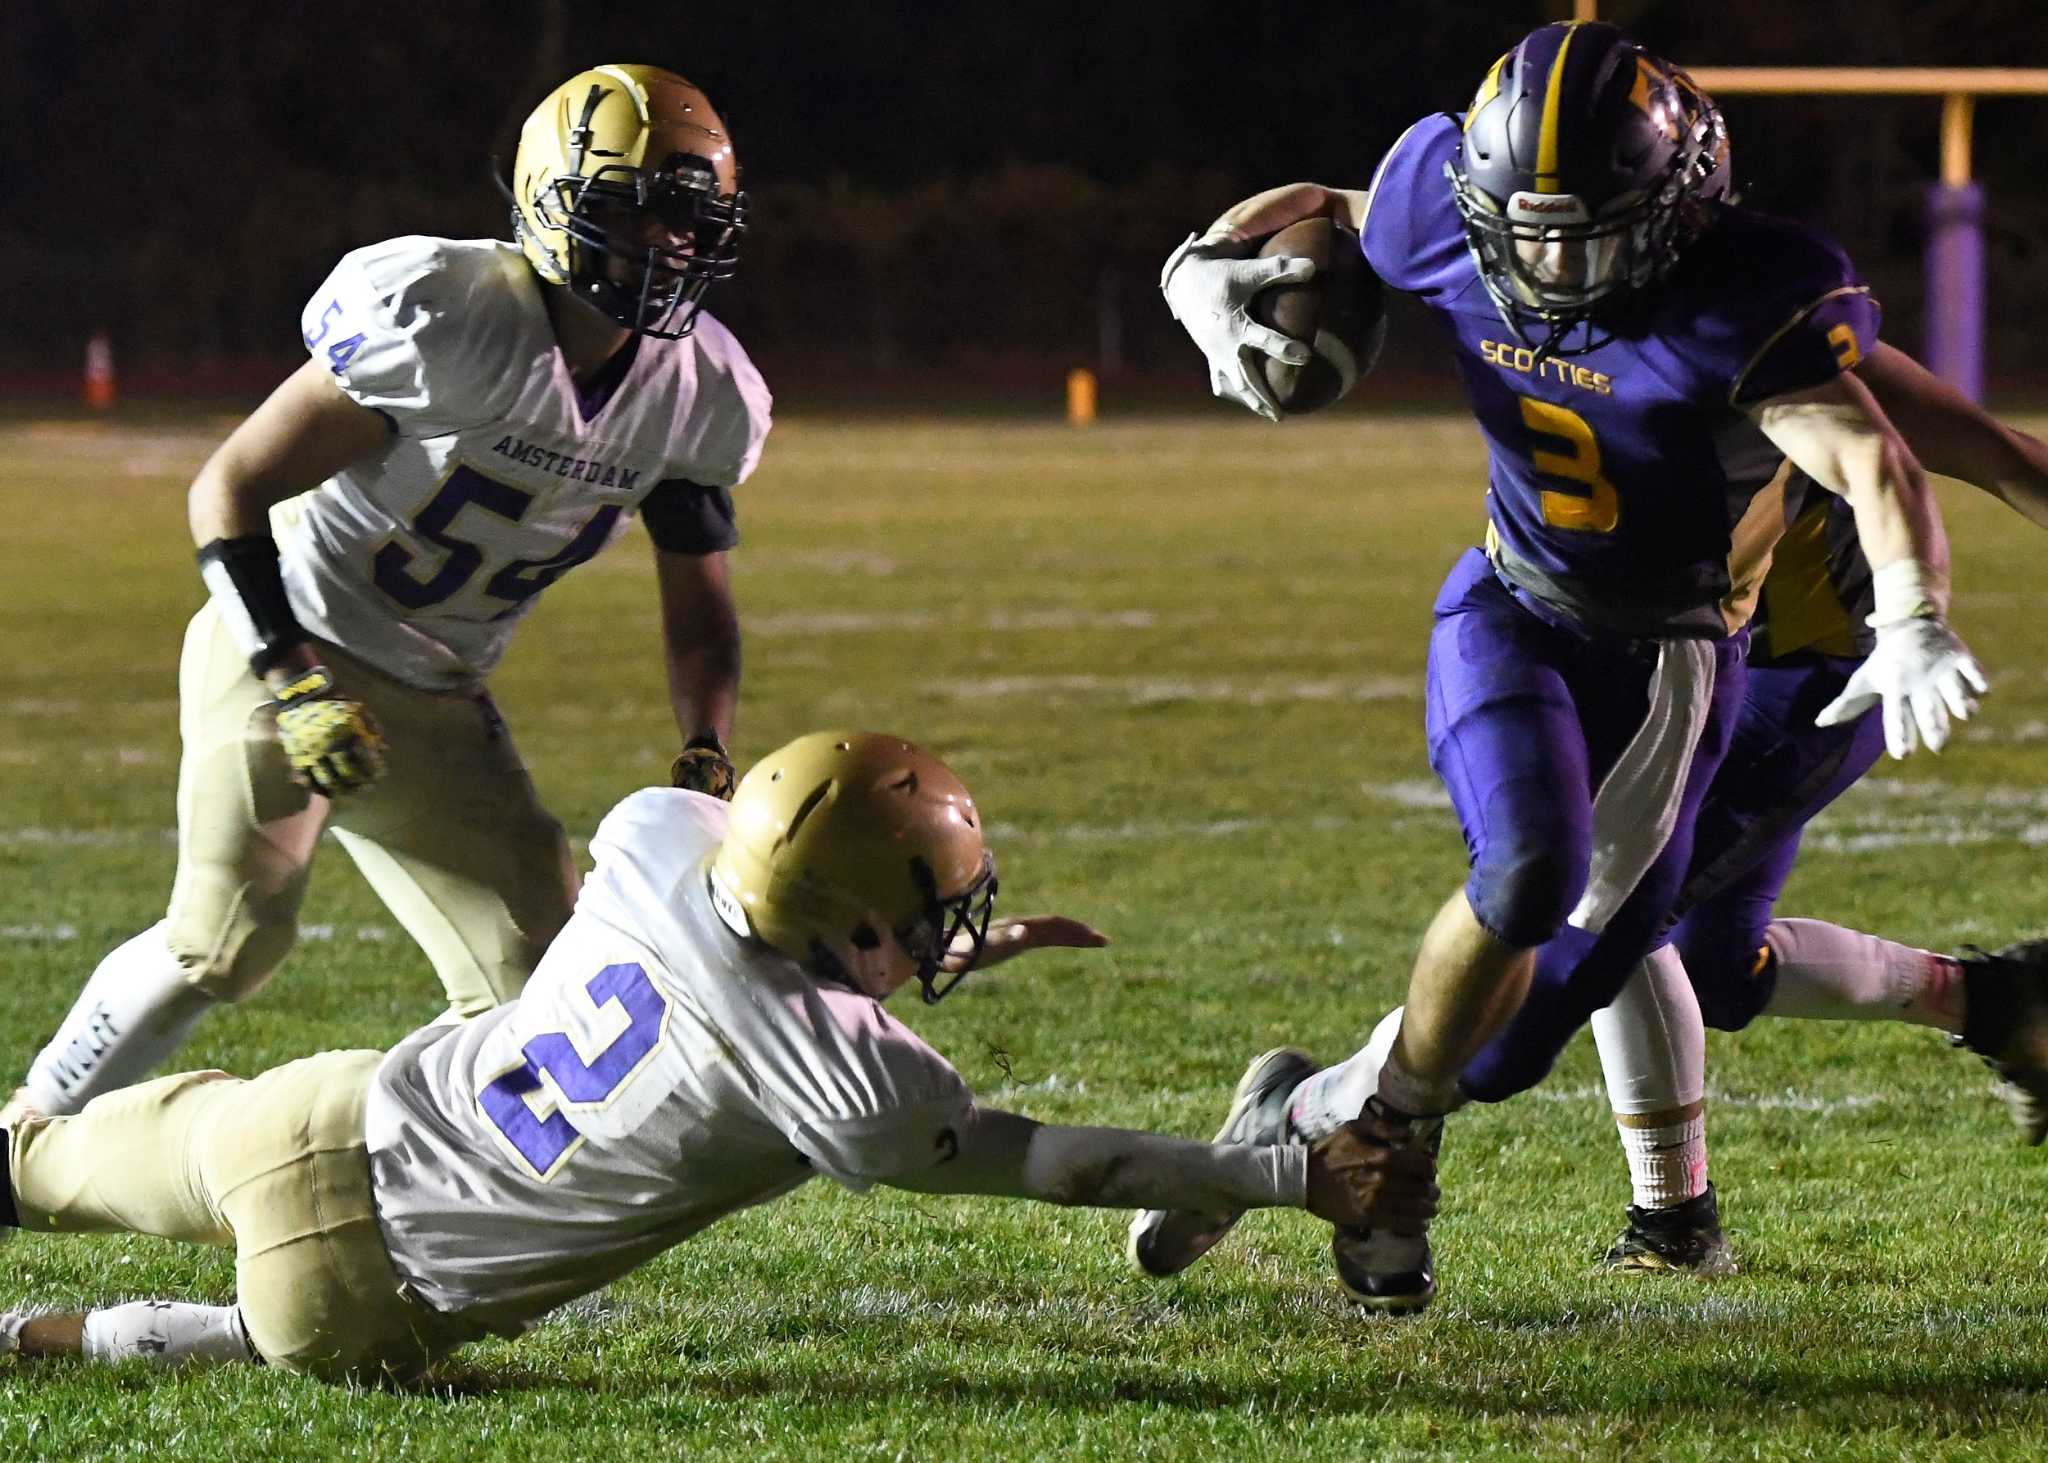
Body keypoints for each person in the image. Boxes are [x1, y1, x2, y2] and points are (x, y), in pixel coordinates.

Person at [1135, 21, 1984, 1313]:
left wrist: (1915, 608)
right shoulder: (1447, 210)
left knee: (1510, 1048)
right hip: (1508, 604)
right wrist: (1197, 265)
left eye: (1588, 232)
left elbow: (1876, 454)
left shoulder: (1739, 299)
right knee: (1526, 871)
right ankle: (1379, 1135)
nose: (1551, 264)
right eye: (1528, 232)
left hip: (1670, 663)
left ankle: (1315, 1112)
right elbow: (1329, 203)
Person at [0, 733, 1426, 1381]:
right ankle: (33, 1340)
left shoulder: (658, 835)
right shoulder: (843, 1083)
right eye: (924, 917)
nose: (944, 930)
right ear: (852, 924)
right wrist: (1286, 1174)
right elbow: (1061, 1162)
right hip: (360, 1295)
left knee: (38, 1158)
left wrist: (936, 948)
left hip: (315, 1115)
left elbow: (764, 936)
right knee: (265, 1340)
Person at [4, 64, 769, 1127]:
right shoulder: (451, 315)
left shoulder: (698, 394)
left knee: (541, 985)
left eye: (687, 219)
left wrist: (706, 748)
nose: (666, 244)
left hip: (438, 688)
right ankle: (25, 1130)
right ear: (552, 200)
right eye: (635, 210)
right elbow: (228, 485)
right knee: (225, 937)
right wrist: (292, 680)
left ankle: (428, 1179)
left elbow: (700, 604)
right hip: (293, 637)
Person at [1587, 338, 2048, 1274]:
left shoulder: (1770, 329)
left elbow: (1994, 452)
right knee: (1714, 970)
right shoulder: (1565, 315)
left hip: (1810, 675)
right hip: (1694, 665)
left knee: (1611, 904)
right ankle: (2003, 1002)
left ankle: (1673, 1220)